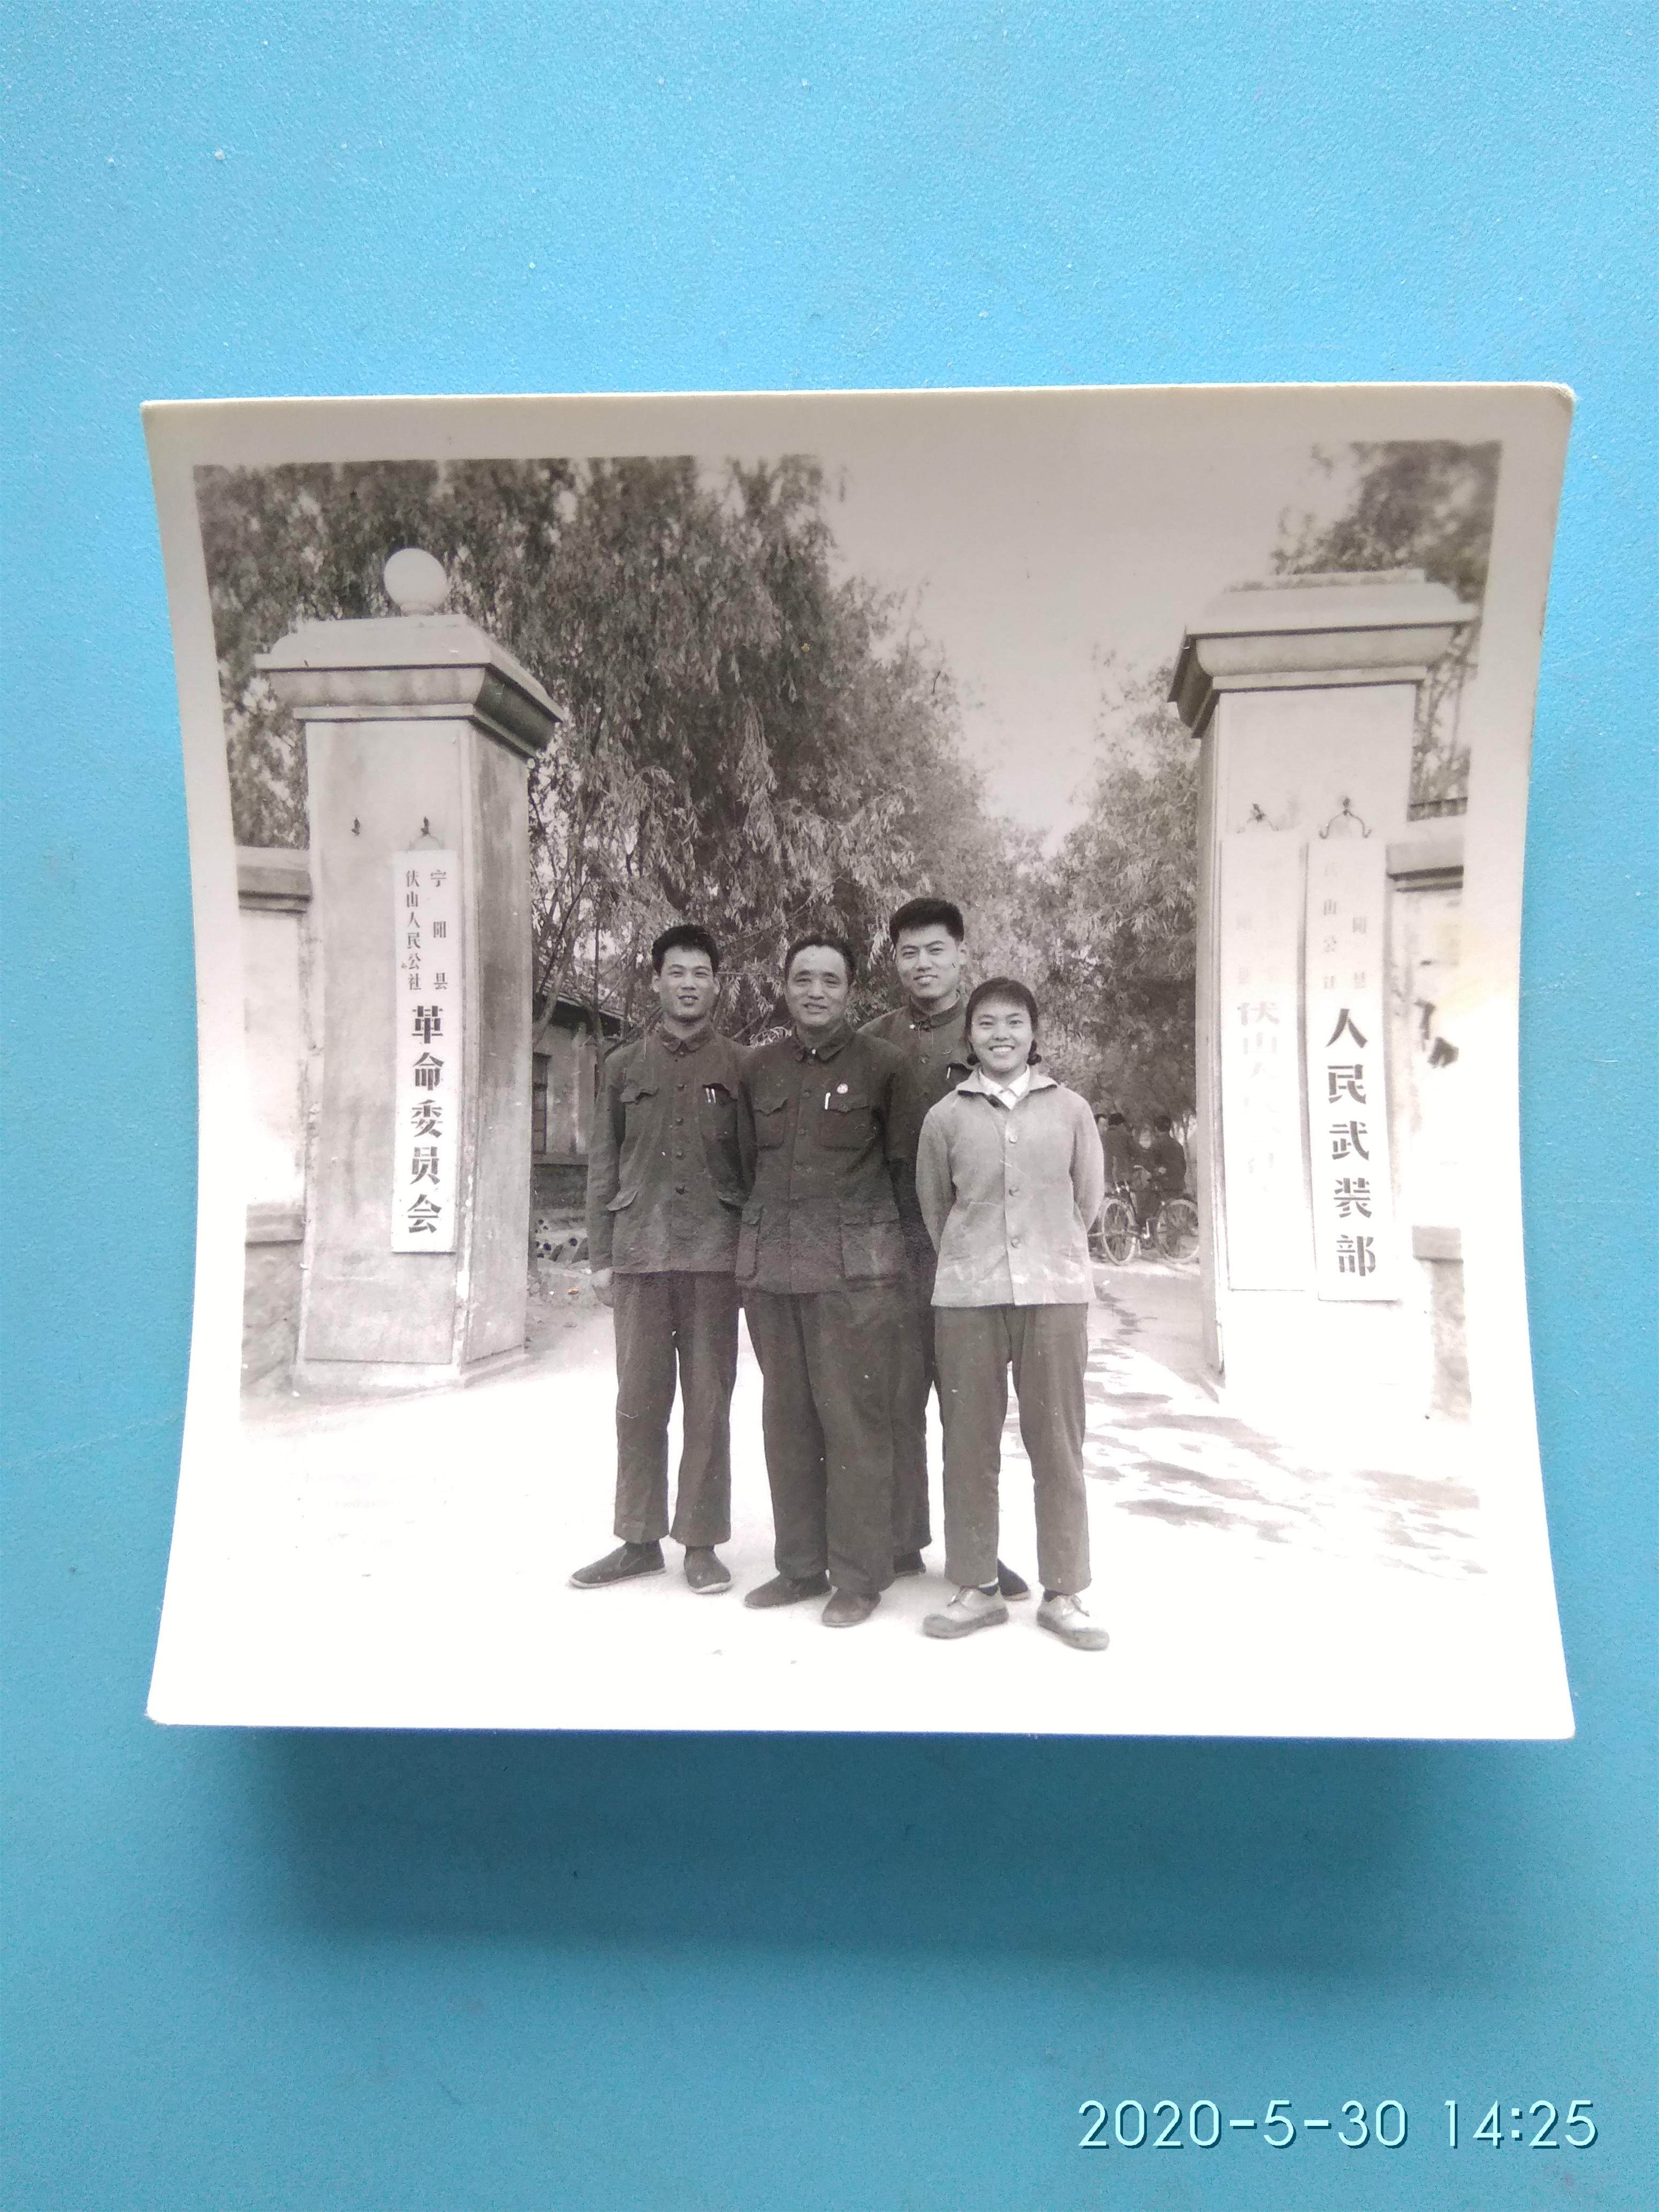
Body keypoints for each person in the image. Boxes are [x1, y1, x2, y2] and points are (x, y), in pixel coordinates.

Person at [914, 978, 1110, 1652]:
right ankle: (975, 1588)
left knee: (1057, 1443)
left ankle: (1066, 1592)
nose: (1001, 1034)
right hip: (969, 1295)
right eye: (987, 1023)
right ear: (967, 1036)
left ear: (1034, 1033)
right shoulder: (944, 1117)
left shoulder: (1073, 1110)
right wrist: (977, 1261)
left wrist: (1047, 1254)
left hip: (1054, 1295)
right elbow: (936, 1211)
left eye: (1015, 1022)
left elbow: (1086, 1202)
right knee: (968, 1444)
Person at [570, 924, 753, 1598]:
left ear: (715, 983)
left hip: (714, 1257)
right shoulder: (623, 1066)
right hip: (641, 1254)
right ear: (655, 981)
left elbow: (756, 1165)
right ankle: (638, 1539)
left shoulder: (742, 1064)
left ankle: (700, 1542)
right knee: (638, 1403)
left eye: (701, 972)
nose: (688, 983)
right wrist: (600, 1255)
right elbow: (603, 1165)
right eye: (675, 971)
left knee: (709, 1403)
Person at [737, 933, 911, 1628]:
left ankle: (861, 1576)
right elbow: (749, 1160)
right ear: (785, 985)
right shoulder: (760, 1067)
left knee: (853, 1424)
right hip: (773, 1272)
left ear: (851, 991)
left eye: (830, 980)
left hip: (854, 1276)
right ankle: (800, 1567)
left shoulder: (885, 1067)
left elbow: (904, 1173)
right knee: (786, 1422)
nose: (815, 990)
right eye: (802, 977)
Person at [859, 897, 1028, 1601]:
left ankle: (979, 1553)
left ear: (962, 953)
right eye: (909, 952)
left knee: (969, 1408)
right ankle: (901, 1543)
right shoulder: (872, 1042)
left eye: (935, 950)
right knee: (895, 1401)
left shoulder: (990, 1036)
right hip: (893, 1250)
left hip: (972, 1253)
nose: (922, 964)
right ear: (893, 959)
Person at [1100, 1110, 1138, 1190]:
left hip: (1107, 1177)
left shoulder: (1102, 1138)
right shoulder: (1125, 1136)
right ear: (1121, 1125)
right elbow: (1136, 1153)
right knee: (1127, 1200)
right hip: (1124, 1177)